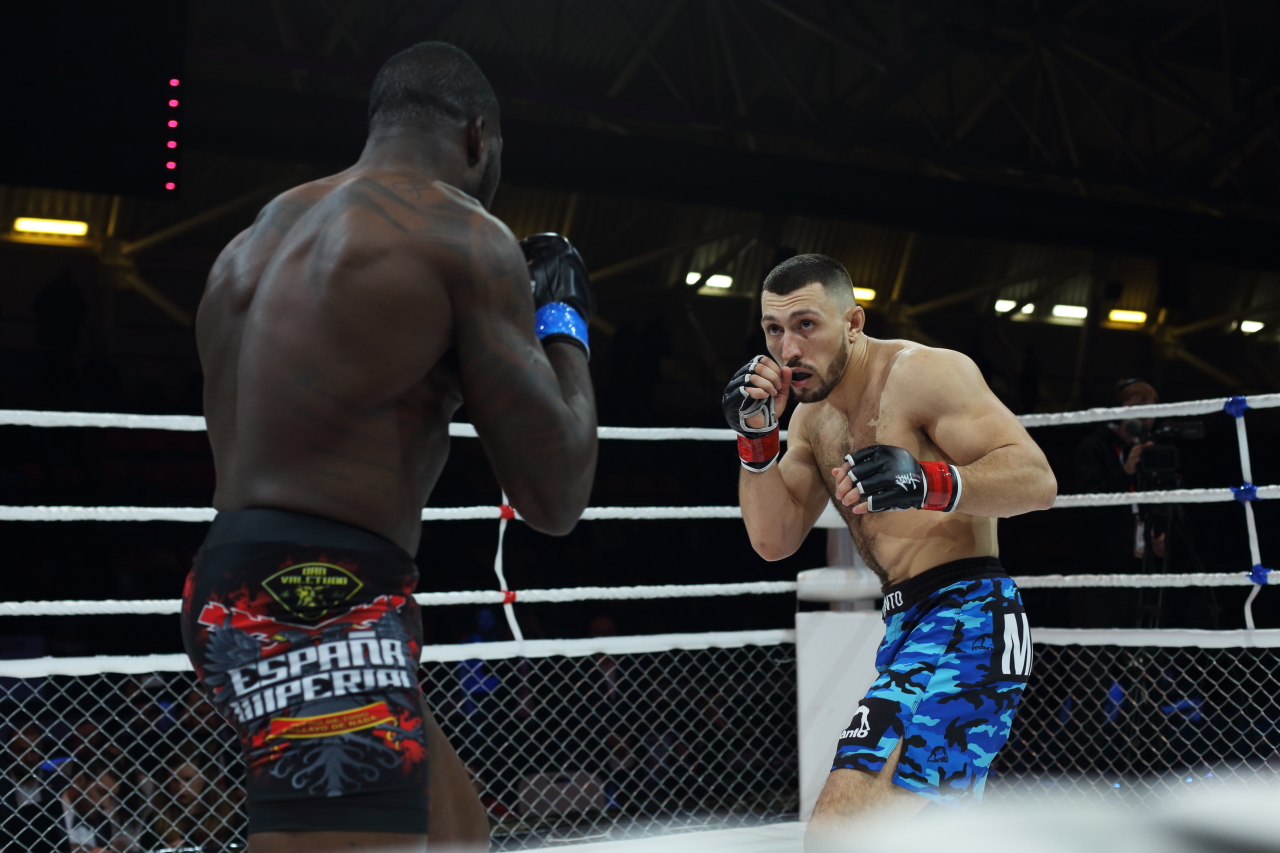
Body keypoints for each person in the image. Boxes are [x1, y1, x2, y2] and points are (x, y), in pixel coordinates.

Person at [182, 41, 598, 853]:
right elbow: (557, 493)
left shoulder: (256, 238)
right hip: (322, 593)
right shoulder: (463, 234)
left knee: (457, 834)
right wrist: (564, 323)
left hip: (230, 577)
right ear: (478, 137)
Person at [722, 255, 1056, 840]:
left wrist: (930, 481)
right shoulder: (809, 420)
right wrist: (755, 440)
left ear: (853, 322)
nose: (788, 349)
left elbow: (1037, 482)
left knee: (840, 834)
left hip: (967, 617)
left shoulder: (924, 373)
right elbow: (773, 540)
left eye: (806, 325)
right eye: (774, 329)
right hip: (906, 623)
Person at [1070, 378, 1159, 627]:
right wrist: (1126, 472)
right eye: (1136, 409)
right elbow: (1089, 507)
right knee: (1101, 635)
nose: (1144, 418)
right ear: (1117, 410)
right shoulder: (1093, 447)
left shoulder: (1153, 450)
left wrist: (1161, 534)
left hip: (1143, 562)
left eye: (1151, 409)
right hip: (1102, 564)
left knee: (1144, 635)